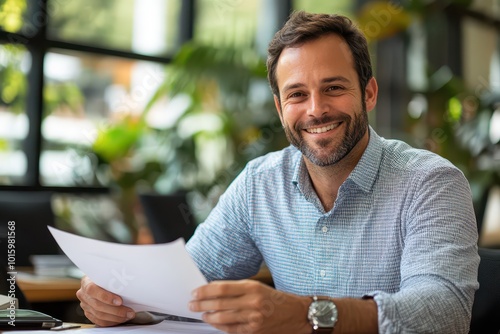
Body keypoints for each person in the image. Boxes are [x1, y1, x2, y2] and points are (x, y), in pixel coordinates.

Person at [77, 11, 479, 334]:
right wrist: (125, 303)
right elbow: (187, 286)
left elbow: (443, 313)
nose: (316, 109)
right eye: (297, 94)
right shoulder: (259, 182)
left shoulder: (430, 182)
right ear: (279, 107)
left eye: (334, 88)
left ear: (368, 93)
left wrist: (308, 314)